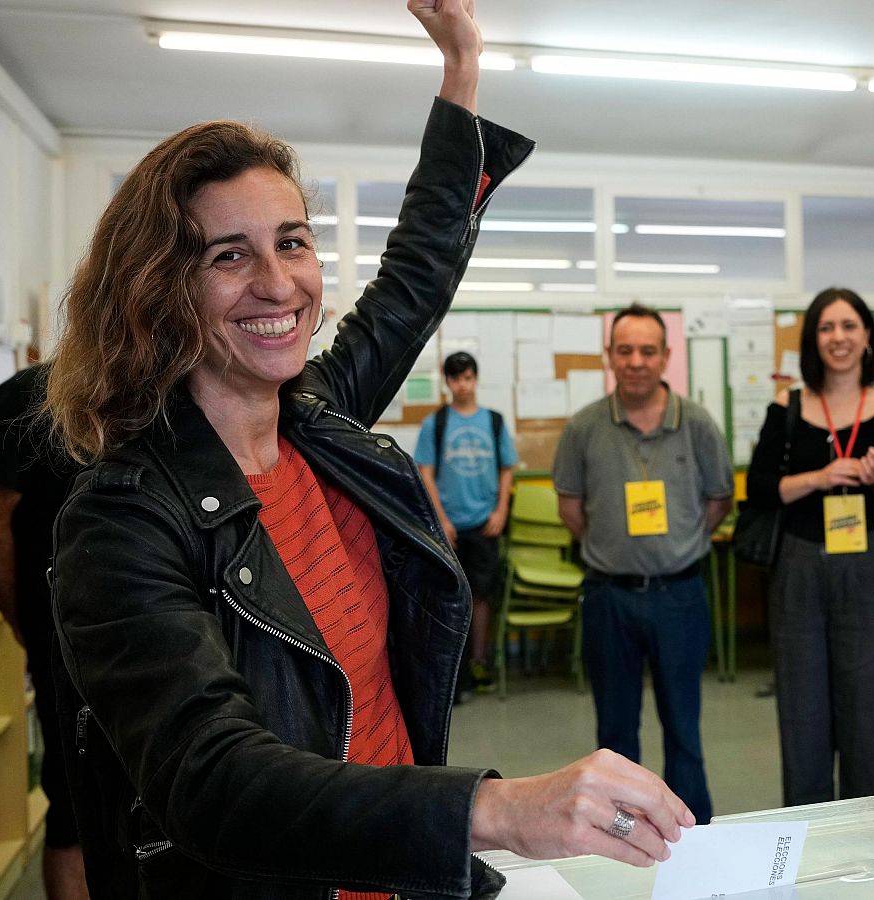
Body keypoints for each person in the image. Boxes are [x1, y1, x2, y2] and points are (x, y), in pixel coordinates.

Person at [44, 5, 693, 898]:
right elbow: (212, 782)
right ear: (162, 291)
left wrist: (462, 66)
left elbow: (416, 274)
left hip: (403, 875)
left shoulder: (318, 422)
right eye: (228, 256)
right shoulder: (120, 518)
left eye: (293, 241)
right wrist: (494, 811)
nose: (278, 284)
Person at [552, 303, 732, 825]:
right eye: (625, 350)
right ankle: (621, 835)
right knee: (615, 733)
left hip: (680, 596)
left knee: (683, 728)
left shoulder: (697, 423)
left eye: (647, 350)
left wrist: (676, 547)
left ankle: (693, 836)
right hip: (609, 597)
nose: (636, 361)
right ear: (610, 356)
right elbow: (571, 509)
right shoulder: (584, 427)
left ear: (666, 357)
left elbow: (718, 502)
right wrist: (618, 553)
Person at [745, 287, 874, 807]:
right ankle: (810, 844)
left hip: (864, 565)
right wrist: (819, 477)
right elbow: (760, 489)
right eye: (826, 327)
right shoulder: (788, 407)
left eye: (849, 326)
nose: (838, 338)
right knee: (803, 715)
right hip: (798, 564)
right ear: (812, 339)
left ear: (867, 336)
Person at [0, 363, 89, 900]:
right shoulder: (27, 397)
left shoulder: (173, 388)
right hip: (66, 646)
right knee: (75, 812)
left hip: (155, 637)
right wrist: (29, 627)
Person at [416, 350, 517, 694]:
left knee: (483, 596)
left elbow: (508, 468)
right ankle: (453, 676)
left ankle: (479, 663)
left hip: (485, 524)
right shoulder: (436, 424)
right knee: (450, 598)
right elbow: (425, 472)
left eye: (468, 377)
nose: (463, 385)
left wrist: (501, 510)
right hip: (449, 528)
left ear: (476, 378)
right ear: (448, 382)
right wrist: (441, 519)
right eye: (456, 378)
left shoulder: (494, 421)